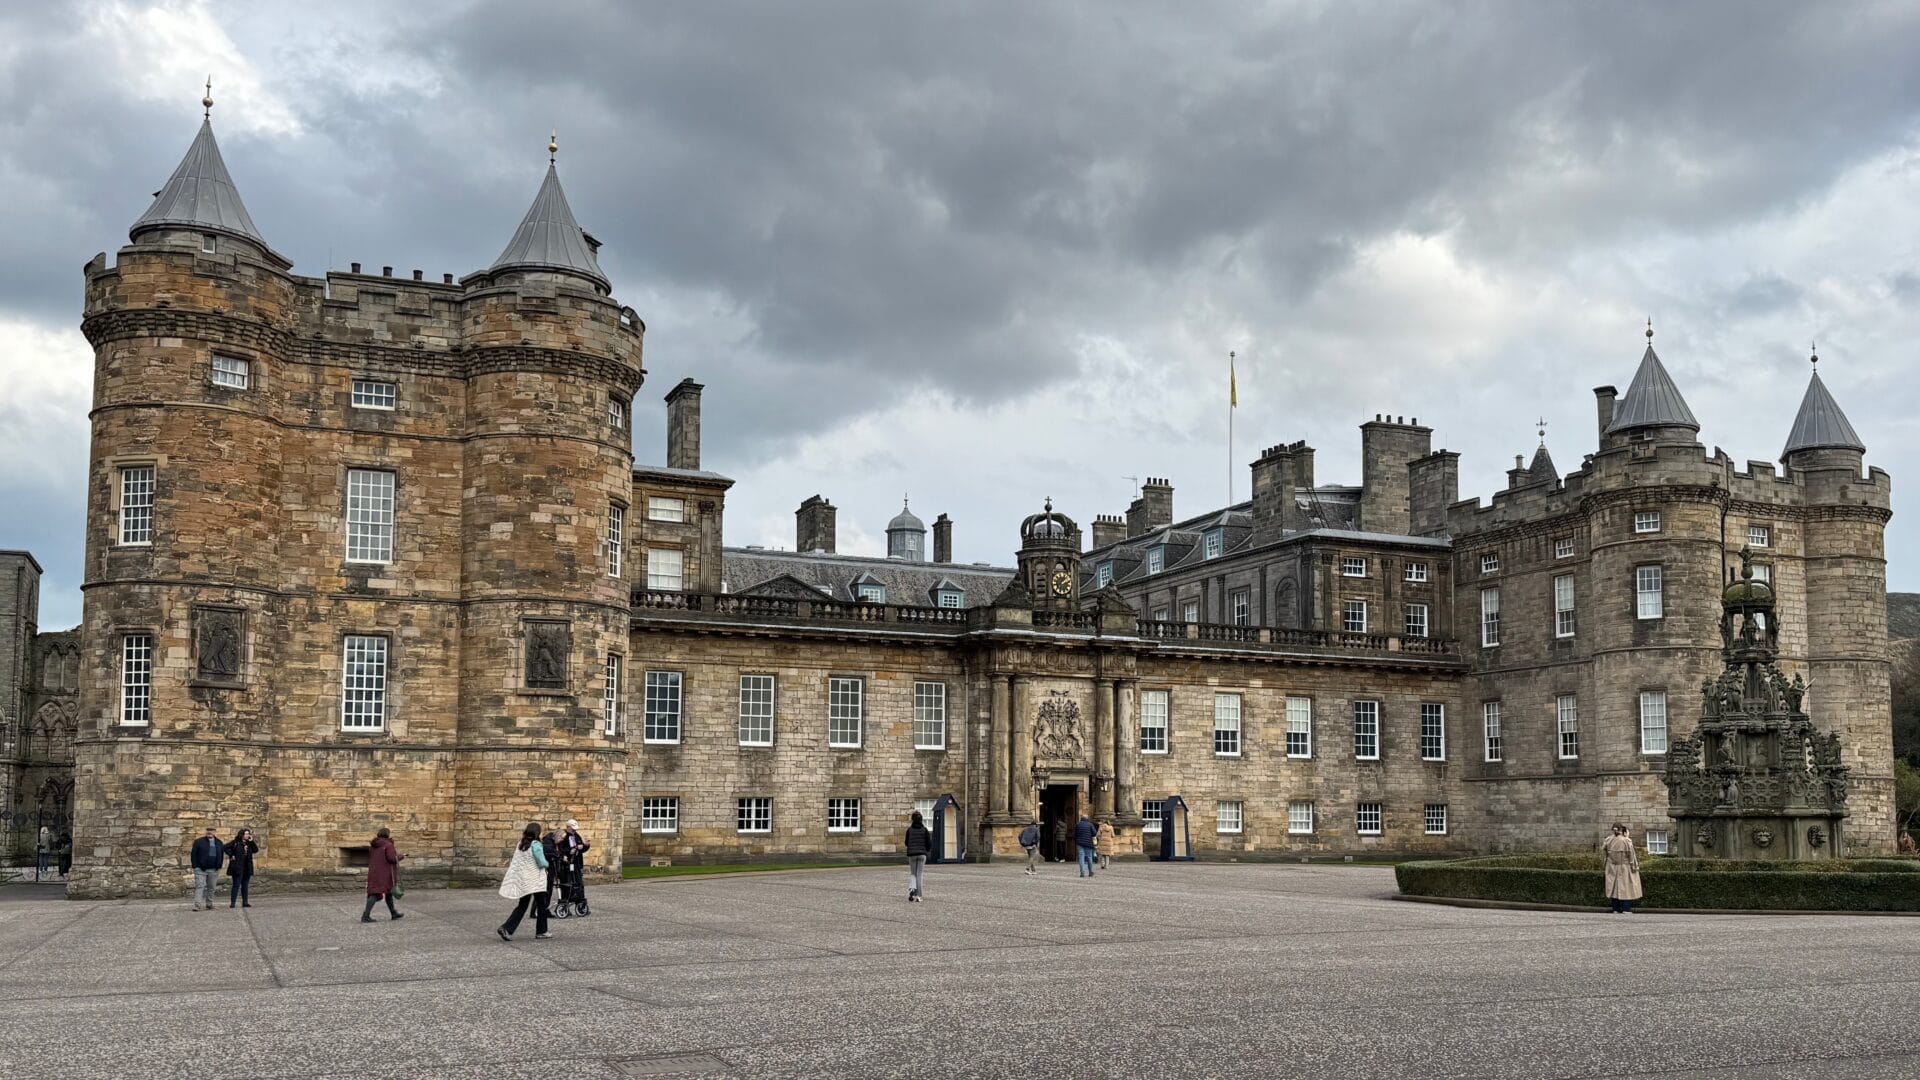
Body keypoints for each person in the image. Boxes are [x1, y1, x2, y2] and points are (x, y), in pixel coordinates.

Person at [498, 821, 552, 941]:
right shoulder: (536, 844)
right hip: (536, 880)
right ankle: (541, 931)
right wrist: (548, 864)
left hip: (524, 880)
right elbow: (541, 862)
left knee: (522, 905)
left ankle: (507, 928)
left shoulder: (521, 844)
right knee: (542, 905)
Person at [362, 827, 406, 923]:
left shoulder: (374, 845)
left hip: (374, 872)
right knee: (376, 893)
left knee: (388, 892)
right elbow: (391, 858)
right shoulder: (388, 844)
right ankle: (365, 916)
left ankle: (393, 913)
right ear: (387, 834)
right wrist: (402, 856)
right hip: (385, 873)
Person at [1603, 823, 1643, 914]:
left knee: (1614, 887)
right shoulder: (1626, 841)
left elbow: (1605, 855)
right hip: (1625, 866)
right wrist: (1634, 867)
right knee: (1626, 888)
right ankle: (1626, 909)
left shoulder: (1608, 840)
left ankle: (1615, 908)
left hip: (1612, 866)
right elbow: (1631, 856)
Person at [559, 819, 591, 917]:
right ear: (568, 827)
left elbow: (580, 847)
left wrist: (586, 846)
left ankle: (580, 905)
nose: (574, 831)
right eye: (572, 829)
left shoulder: (576, 835)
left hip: (576, 863)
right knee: (567, 885)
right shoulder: (563, 836)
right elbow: (560, 849)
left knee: (579, 884)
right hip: (567, 864)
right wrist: (569, 851)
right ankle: (565, 906)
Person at [190, 827, 225, 910]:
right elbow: (193, 854)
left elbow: (221, 855)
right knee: (200, 886)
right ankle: (197, 905)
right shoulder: (199, 842)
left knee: (211, 887)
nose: (209, 833)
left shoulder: (219, 843)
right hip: (200, 869)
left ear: (214, 832)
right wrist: (195, 866)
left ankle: (209, 904)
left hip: (214, 869)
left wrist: (219, 865)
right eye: (208, 831)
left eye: (211, 831)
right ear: (206, 832)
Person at [225, 827, 259, 908]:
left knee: (245, 885)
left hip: (247, 867)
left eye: (248, 834)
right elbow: (225, 847)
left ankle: (245, 902)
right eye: (246, 834)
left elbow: (255, 850)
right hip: (237, 867)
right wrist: (231, 855)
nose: (248, 835)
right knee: (236, 885)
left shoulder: (249, 843)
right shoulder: (235, 842)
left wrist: (252, 841)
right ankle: (233, 902)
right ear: (242, 835)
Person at [904, 810, 932, 902]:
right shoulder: (925, 830)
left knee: (913, 874)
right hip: (922, 854)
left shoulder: (909, 830)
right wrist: (925, 851)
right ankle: (919, 896)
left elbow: (906, 842)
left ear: (912, 819)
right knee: (919, 875)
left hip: (912, 854)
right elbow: (929, 843)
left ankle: (912, 894)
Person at [541, 824, 568, 918]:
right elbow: (550, 852)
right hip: (547, 869)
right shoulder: (548, 841)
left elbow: (559, 851)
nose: (562, 840)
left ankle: (545, 909)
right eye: (561, 838)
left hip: (553, 868)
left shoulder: (557, 843)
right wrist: (560, 855)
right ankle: (539, 910)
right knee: (545, 891)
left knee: (548, 891)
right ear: (557, 836)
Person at [1073, 813, 1099, 878]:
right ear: (1087, 818)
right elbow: (1094, 833)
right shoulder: (1090, 824)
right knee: (1089, 857)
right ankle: (1090, 872)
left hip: (1080, 843)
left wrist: (1077, 840)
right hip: (1088, 843)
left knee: (1081, 857)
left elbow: (1074, 834)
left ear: (1081, 818)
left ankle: (1082, 872)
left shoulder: (1078, 824)